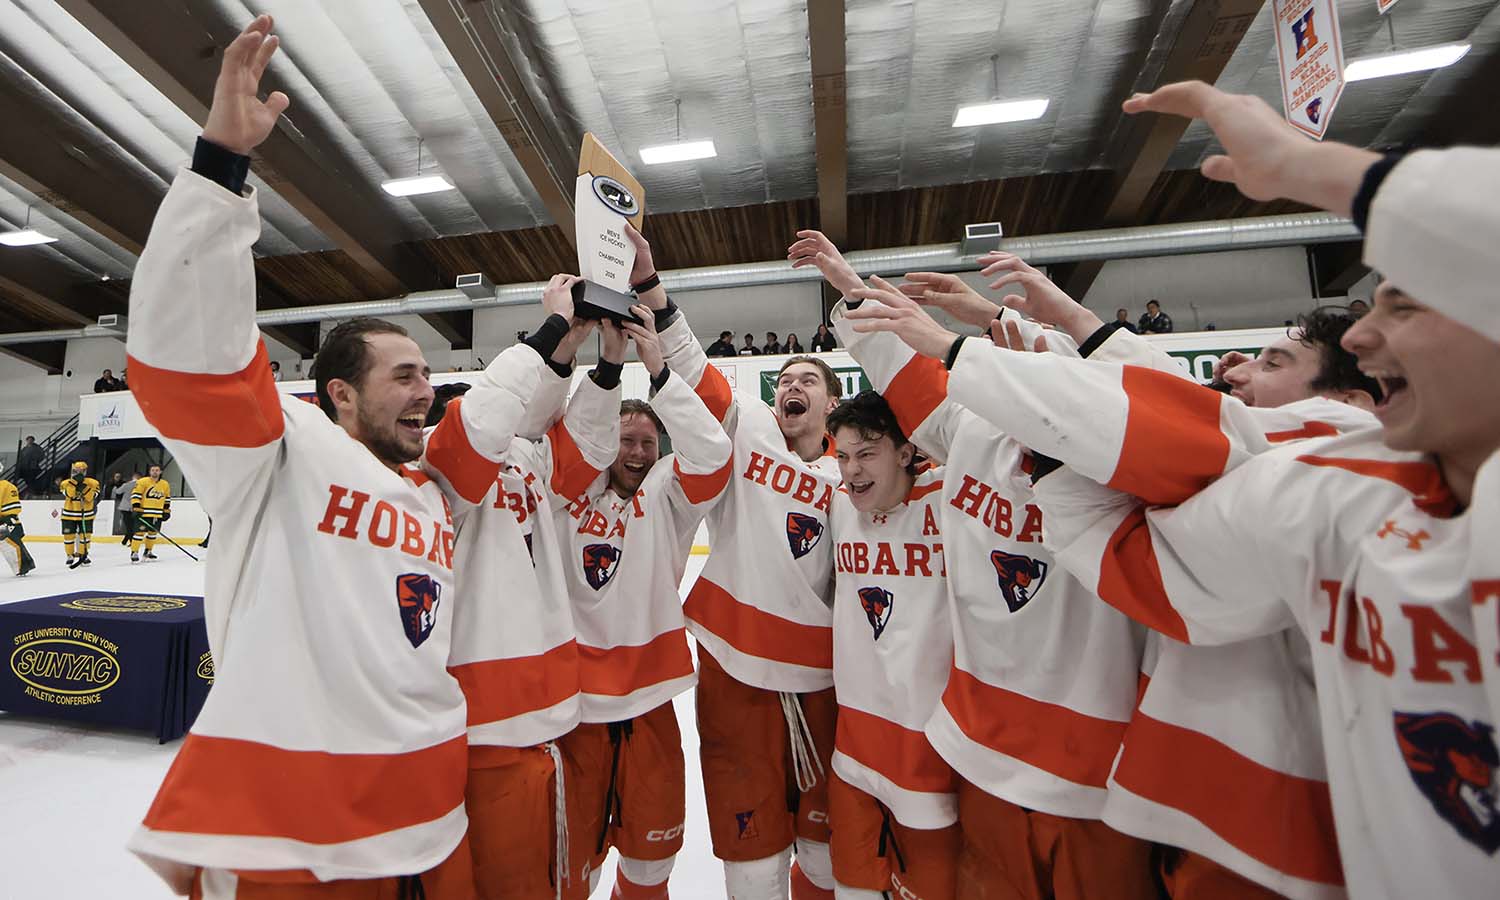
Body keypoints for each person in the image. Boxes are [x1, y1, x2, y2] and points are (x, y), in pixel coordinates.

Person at [851, 77, 1500, 898]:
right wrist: (1035, 373)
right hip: (1231, 839)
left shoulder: (1320, 450)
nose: (1367, 333)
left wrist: (1322, 172)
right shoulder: (1337, 495)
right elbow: (1152, 500)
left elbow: (1177, 430)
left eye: (1404, 308)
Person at [124, 19, 575, 896]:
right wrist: (220, 163)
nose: (426, 392)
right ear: (337, 393)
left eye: (431, 378)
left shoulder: (432, 496)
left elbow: (495, 421)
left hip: (430, 814)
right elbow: (193, 351)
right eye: (404, 376)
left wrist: (569, 342)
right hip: (296, 835)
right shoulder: (281, 457)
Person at [862, 259, 1378, 898]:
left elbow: (1147, 425)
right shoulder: (1241, 457)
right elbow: (1144, 407)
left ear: (1350, 401)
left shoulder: (1328, 458)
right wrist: (1036, 324)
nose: (1232, 367)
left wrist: (968, 349)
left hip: (1265, 827)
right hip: (1180, 804)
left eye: (1273, 364)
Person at [803, 231, 1156, 900]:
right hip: (982, 753)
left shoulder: (1119, 465)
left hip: (1098, 769)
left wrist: (1015, 320)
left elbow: (1153, 396)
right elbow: (902, 373)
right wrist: (850, 288)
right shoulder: (969, 432)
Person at [643, 224, 844, 899]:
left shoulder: (863, 476)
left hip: (827, 678)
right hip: (735, 667)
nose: (791, 385)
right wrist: (651, 287)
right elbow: (694, 366)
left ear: (832, 405)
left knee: (823, 858)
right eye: (784, 378)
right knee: (752, 864)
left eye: (807, 379)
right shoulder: (751, 429)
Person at [550, 303, 732, 900]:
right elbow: (569, 435)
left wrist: (659, 374)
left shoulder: (669, 495)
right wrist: (603, 366)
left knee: (652, 866)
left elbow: (712, 453)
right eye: (624, 439)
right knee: (572, 868)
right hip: (572, 709)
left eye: (646, 442)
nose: (635, 452)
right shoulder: (560, 492)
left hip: (651, 703)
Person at [438, 314, 618, 900]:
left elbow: (582, 443)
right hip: (477, 723)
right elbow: (477, 433)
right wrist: (546, 335)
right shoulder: (435, 477)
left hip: (548, 709)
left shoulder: (523, 460)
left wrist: (599, 360)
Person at [818, 391, 960, 897]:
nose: (851, 470)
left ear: (906, 453)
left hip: (929, 751)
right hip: (853, 747)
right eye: (842, 455)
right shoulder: (838, 503)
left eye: (866, 454)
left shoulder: (949, 498)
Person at [60, 461, 101, 568]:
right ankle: (70, 555)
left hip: (86, 514)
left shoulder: (93, 483)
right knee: (68, 536)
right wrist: (74, 483)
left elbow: (90, 497)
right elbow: (70, 495)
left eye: (80, 471)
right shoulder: (65, 483)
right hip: (69, 513)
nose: (78, 473)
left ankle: (84, 555)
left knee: (85, 536)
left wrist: (83, 486)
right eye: (75, 471)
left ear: (85, 471)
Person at [129, 464, 172, 563]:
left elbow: (167, 498)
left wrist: (166, 510)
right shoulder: (142, 481)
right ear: (149, 471)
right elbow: (136, 494)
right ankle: (134, 552)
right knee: (139, 533)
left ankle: (148, 551)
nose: (155, 472)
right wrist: (136, 507)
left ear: (160, 472)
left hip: (157, 514)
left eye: (157, 470)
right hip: (143, 513)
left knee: (153, 533)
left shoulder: (165, 484)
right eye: (153, 470)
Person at [0, 477, 37, 576]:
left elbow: (12, 508)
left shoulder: (5, 486)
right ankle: (24, 565)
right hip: (7, 521)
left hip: (6, 521)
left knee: (7, 543)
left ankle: (23, 566)